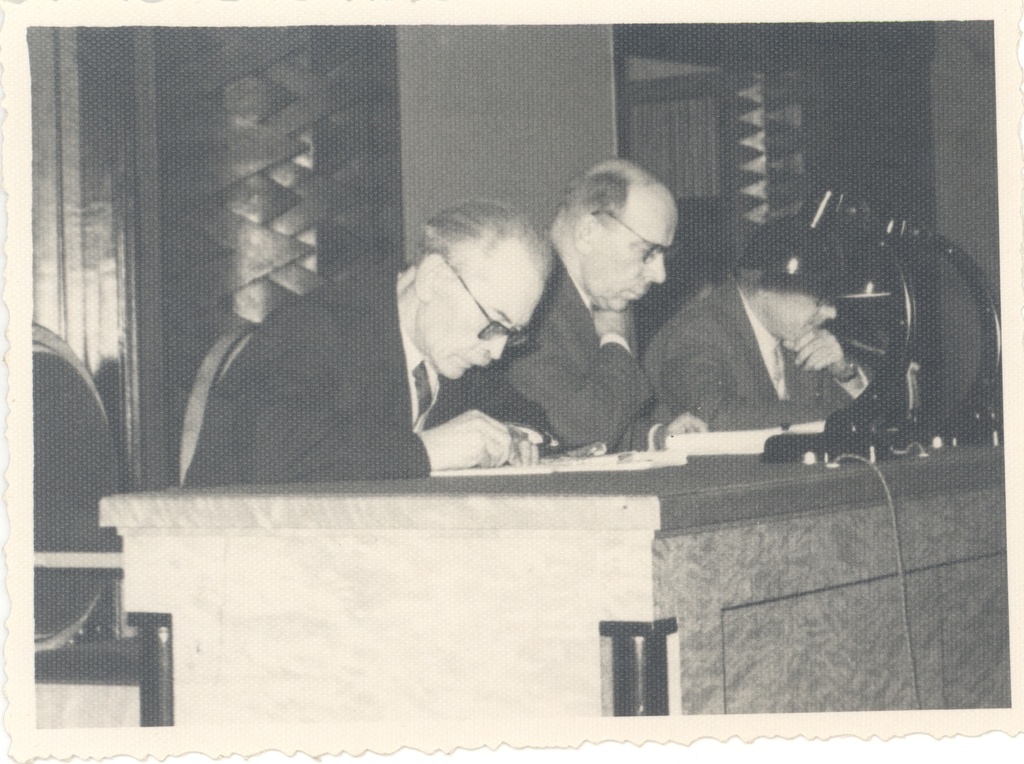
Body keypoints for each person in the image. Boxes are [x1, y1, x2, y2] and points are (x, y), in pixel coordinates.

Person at [184, 200, 551, 487]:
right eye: (495, 324)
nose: (498, 350)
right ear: (434, 278)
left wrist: (516, 437)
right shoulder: (317, 327)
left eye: (512, 332)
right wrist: (427, 450)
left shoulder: (454, 353)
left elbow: (524, 414)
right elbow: (268, 446)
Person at [451, 159, 704, 452]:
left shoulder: (604, 299)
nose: (660, 275)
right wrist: (615, 341)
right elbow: (580, 431)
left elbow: (604, 422)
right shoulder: (527, 303)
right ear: (587, 233)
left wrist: (660, 437)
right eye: (648, 252)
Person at [644, 217, 869, 432]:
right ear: (765, 290)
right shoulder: (696, 332)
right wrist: (843, 415)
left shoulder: (796, 335)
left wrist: (844, 374)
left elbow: (860, 414)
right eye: (819, 299)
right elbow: (717, 418)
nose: (830, 313)